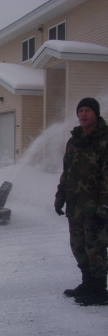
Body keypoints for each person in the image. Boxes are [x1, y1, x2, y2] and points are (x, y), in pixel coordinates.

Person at [54, 97, 108, 306]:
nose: (83, 114)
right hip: (75, 206)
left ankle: (99, 289)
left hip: (96, 206)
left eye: (88, 110)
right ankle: (88, 283)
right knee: (78, 246)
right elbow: (66, 172)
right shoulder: (74, 141)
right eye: (81, 111)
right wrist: (60, 197)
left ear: (96, 113)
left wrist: (105, 204)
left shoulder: (104, 140)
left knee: (96, 247)